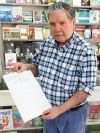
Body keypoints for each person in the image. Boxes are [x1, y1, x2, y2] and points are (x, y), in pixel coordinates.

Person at [13, 2, 97, 133]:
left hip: (73, 115)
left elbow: (85, 90)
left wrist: (59, 110)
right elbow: (36, 67)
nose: (56, 28)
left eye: (62, 23)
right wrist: (24, 67)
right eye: (52, 24)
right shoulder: (46, 44)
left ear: (73, 23)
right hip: (48, 110)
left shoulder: (85, 51)